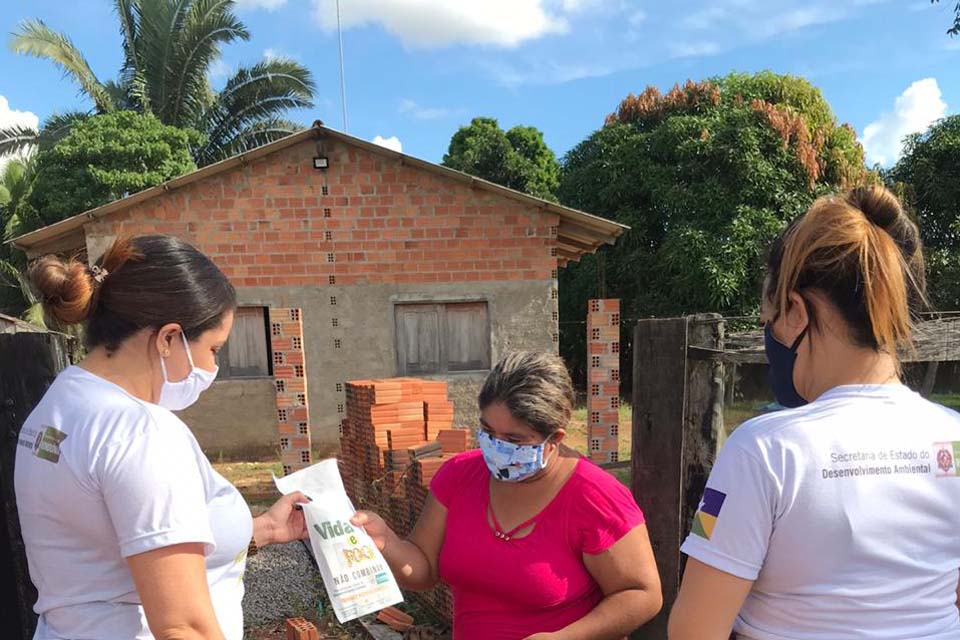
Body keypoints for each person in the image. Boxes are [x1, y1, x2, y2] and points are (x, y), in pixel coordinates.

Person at [668, 185, 960, 640]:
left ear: (795, 312)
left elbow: (694, 631)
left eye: (768, 321)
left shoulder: (762, 450)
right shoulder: (954, 435)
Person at [15, 235, 309, 640]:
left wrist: (266, 530)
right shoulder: (139, 431)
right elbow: (183, 627)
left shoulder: (59, 405)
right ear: (168, 338)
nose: (212, 367)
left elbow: (119, 549)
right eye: (213, 349)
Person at [352, 351, 662, 640]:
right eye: (488, 432)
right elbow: (423, 569)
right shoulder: (459, 476)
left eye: (514, 439)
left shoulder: (595, 497)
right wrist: (385, 540)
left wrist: (563, 638)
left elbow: (642, 594)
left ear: (555, 438)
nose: (497, 447)